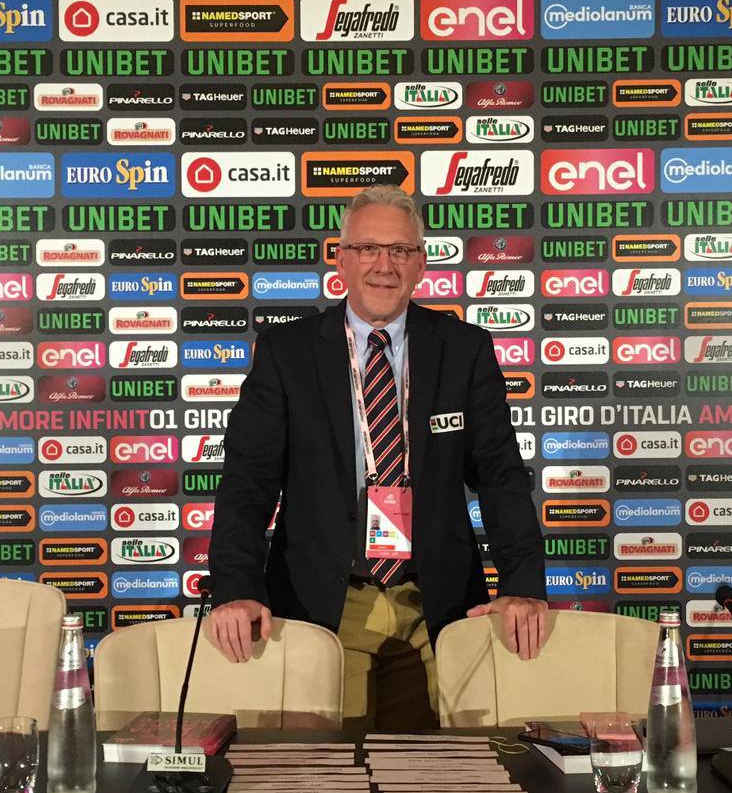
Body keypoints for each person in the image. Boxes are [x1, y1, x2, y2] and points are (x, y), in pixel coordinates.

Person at [207, 185, 548, 731]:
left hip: (440, 604)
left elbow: (501, 476)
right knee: (327, 774)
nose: (384, 266)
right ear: (341, 259)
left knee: (453, 770)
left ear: (422, 264)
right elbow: (248, 482)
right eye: (368, 248)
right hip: (327, 602)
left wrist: (523, 586)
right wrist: (237, 589)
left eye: (401, 251)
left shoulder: (464, 349)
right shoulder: (287, 353)